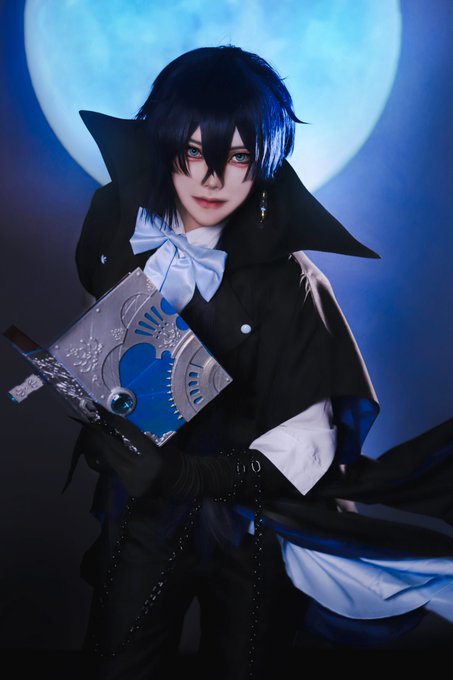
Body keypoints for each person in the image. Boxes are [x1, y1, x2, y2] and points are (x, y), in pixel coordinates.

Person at [72, 45, 453, 679]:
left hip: (251, 526)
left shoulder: (293, 285)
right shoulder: (114, 222)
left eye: (239, 157)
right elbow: (100, 327)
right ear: (164, 143)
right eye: (194, 152)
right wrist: (99, 415)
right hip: (140, 514)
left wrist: (188, 475)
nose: (212, 179)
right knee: (119, 663)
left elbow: (308, 447)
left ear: (267, 160)